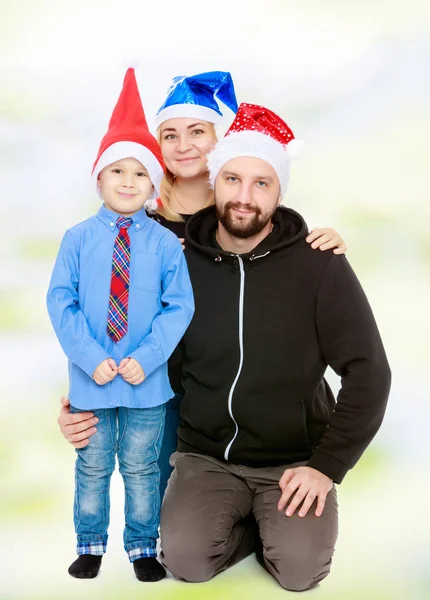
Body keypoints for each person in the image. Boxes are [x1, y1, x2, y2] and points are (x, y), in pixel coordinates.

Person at [56, 72, 348, 501]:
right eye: (169, 135)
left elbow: (290, 270)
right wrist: (78, 400)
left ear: (220, 140)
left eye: (197, 131)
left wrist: (328, 244)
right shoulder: (138, 221)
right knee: (162, 516)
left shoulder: (244, 209)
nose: (183, 144)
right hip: (159, 387)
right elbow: (94, 307)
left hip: (252, 392)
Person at [159, 102, 391, 591]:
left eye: (261, 183)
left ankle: (282, 529)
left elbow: (369, 371)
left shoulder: (319, 264)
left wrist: (325, 468)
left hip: (295, 461)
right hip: (205, 456)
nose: (244, 197)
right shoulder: (179, 263)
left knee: (301, 575)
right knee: (185, 562)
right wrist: (86, 396)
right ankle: (245, 528)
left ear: (279, 192)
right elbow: (150, 349)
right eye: (232, 180)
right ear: (214, 182)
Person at [46, 68, 194, 582]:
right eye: (117, 172)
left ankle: (141, 548)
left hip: (146, 384)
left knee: (141, 470)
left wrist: (144, 359)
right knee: (91, 467)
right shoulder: (77, 239)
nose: (128, 182)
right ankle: (89, 543)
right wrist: (92, 359)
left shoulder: (163, 245)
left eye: (139, 173)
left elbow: (180, 307)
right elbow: (59, 302)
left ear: (154, 184)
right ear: (99, 178)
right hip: (91, 380)